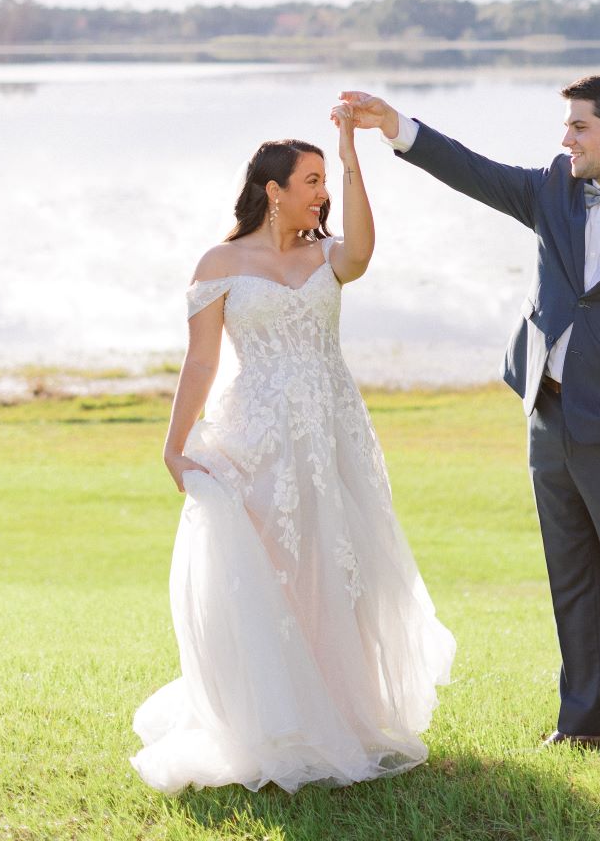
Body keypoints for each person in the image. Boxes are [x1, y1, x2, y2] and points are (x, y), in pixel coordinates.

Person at [340, 74, 600, 773]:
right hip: (548, 418)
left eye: (579, 127)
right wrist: (396, 125)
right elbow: (475, 172)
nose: (566, 140)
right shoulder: (554, 189)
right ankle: (584, 724)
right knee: (574, 580)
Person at [131, 107, 455, 795]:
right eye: (310, 180)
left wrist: (349, 156)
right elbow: (200, 363)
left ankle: (344, 714)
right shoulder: (219, 263)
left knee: (339, 573)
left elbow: (364, 253)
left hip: (331, 431)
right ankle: (274, 722)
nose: (322, 193)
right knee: (275, 575)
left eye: (325, 182)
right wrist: (175, 445)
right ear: (273, 189)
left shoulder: (326, 255)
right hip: (256, 438)